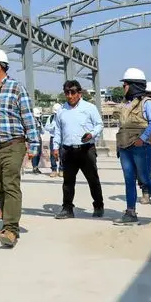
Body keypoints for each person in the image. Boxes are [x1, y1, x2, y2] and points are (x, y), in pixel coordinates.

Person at [0, 47, 40, 248]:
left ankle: (11, 230)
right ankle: (5, 226)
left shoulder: (16, 88)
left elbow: (28, 117)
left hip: (12, 145)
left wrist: (34, 144)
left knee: (11, 184)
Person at [114, 68, 151, 225]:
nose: (124, 87)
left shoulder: (147, 103)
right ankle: (130, 213)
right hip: (125, 147)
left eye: (125, 84)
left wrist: (142, 138)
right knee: (129, 180)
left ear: (134, 85)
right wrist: (119, 146)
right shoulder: (125, 104)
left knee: (146, 179)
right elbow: (122, 126)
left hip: (140, 147)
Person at [52, 80, 105, 219]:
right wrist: (55, 147)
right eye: (67, 92)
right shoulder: (61, 110)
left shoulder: (90, 108)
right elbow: (57, 130)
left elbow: (99, 124)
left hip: (86, 149)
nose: (70, 96)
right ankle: (67, 208)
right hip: (68, 150)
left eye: (73, 92)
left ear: (79, 93)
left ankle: (98, 206)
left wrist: (91, 134)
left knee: (93, 180)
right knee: (68, 182)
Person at [46, 102, 63, 177]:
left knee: (62, 154)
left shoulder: (64, 117)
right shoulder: (51, 117)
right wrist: (52, 127)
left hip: (62, 138)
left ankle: (62, 169)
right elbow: (46, 127)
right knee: (53, 154)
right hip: (53, 137)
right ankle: (54, 170)